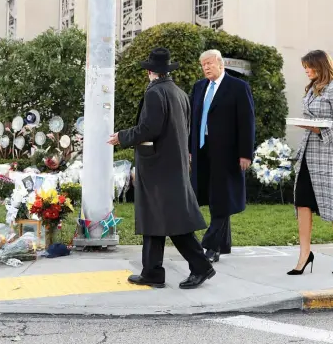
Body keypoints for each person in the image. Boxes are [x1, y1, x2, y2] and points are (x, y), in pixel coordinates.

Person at [108, 47, 215, 290]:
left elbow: (149, 129)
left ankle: (201, 267)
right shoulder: (178, 93)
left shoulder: (155, 93)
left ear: (149, 71)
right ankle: (152, 271)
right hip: (172, 163)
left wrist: (122, 137)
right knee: (156, 218)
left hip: (158, 166)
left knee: (171, 220)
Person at [289, 50, 333, 276]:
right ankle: (304, 255)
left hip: (327, 154)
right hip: (309, 153)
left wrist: (319, 130)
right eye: (305, 68)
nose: (307, 71)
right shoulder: (311, 88)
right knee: (302, 203)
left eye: (309, 66)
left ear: (320, 65)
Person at [189, 49, 255, 263]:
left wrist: (245, 153)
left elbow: (247, 122)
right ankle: (220, 245)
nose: (206, 67)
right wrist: (190, 149)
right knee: (215, 197)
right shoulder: (199, 87)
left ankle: (209, 245)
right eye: (203, 65)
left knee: (222, 197)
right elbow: (194, 121)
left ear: (220, 63)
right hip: (202, 149)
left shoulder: (238, 87)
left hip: (227, 153)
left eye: (209, 63)